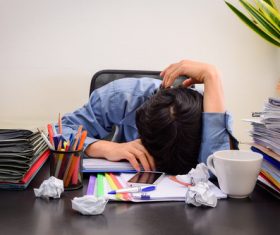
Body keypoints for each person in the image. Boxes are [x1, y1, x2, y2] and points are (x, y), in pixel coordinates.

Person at [61, 59, 237, 175]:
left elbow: (219, 169)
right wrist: (105, 148)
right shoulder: (122, 97)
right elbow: (61, 131)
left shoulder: (209, 112)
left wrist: (212, 75)